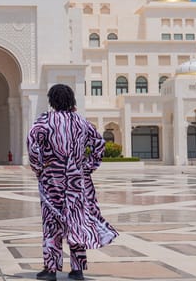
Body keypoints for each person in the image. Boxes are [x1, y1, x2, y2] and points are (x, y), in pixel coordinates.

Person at [27, 84, 118, 281]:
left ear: (51, 100)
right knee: (76, 221)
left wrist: (40, 167)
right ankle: (77, 270)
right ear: (71, 100)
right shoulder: (81, 122)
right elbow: (99, 145)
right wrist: (86, 167)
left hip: (53, 180)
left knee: (52, 223)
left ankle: (50, 269)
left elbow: (33, 145)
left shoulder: (45, 121)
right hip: (77, 182)